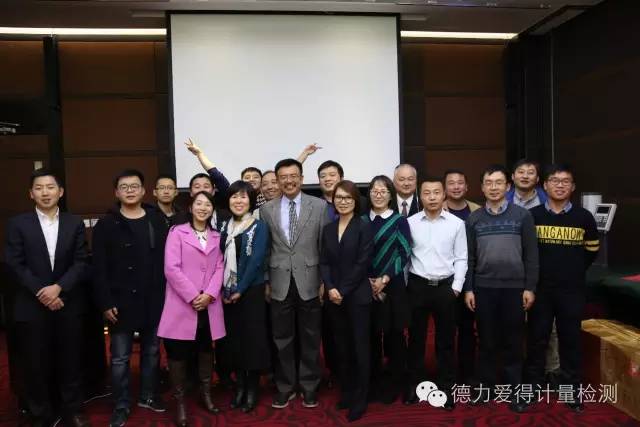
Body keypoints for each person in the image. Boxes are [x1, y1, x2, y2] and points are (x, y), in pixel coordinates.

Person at [4, 168, 91, 427]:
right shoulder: (18, 224)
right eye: (39, 188)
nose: (45, 192)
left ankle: (73, 410)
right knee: (35, 363)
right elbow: (14, 263)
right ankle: (40, 413)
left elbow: (81, 261)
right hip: (31, 305)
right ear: (31, 194)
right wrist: (43, 292)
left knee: (71, 361)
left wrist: (59, 288)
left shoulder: (74, 223)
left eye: (50, 187)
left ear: (60, 192)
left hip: (68, 302)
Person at [92, 169, 169, 427]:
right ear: (116, 192)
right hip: (120, 302)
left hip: (153, 298)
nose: (130, 190)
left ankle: (148, 396)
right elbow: (98, 268)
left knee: (152, 352)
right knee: (120, 357)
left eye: (134, 186)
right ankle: (121, 404)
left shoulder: (156, 219)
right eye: (124, 187)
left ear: (144, 191)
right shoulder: (106, 224)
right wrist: (105, 302)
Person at [524, 164, 599, 413]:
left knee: (571, 341)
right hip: (540, 290)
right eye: (554, 180)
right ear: (544, 185)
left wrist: (572, 270)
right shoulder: (532, 216)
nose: (560, 185)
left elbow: (591, 251)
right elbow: (526, 253)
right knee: (536, 340)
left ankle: (571, 391)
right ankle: (531, 390)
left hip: (571, 290)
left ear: (573, 187)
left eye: (565, 181)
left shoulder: (584, 217)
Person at [464, 165, 538, 413]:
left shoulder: (522, 216)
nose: (493, 187)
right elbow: (469, 258)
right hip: (484, 288)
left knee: (513, 342)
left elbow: (531, 255)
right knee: (486, 341)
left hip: (514, 289)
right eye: (489, 183)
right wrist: (469, 289)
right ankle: (485, 389)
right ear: (482, 187)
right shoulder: (474, 219)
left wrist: (530, 287)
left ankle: (515, 391)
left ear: (507, 187)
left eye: (498, 183)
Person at [259, 158, 329, 409]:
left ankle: (309, 386)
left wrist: (324, 280)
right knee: (282, 338)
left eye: (293, 176)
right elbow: (265, 249)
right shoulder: (266, 209)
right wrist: (267, 280)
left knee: (311, 337)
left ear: (301, 178)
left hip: (310, 281)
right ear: (277, 181)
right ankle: (285, 386)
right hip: (279, 281)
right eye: (283, 177)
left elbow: (324, 247)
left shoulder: (319, 206)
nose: (288, 181)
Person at [157, 191, 225, 426]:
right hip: (182, 304)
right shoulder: (177, 232)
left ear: (212, 209)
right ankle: (181, 403)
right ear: (191, 207)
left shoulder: (216, 235)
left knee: (206, 350)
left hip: (208, 304)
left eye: (208, 204)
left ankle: (206, 395)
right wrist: (194, 296)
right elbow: (171, 268)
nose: (203, 208)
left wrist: (209, 295)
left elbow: (220, 267)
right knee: (178, 354)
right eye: (199, 203)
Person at [403, 177, 467, 411]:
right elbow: (405, 256)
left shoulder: (456, 224)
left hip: (445, 288)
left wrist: (456, 287)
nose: (432, 197)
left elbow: (461, 257)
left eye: (436, 192)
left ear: (444, 195)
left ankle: (446, 387)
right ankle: (415, 385)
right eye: (427, 193)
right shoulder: (410, 222)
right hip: (417, 286)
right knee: (416, 340)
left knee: (446, 341)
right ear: (420, 196)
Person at [320, 180, 373, 422]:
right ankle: (348, 392)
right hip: (334, 298)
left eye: (347, 198)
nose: (342, 201)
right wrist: (330, 287)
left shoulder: (363, 226)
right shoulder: (328, 229)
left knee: (360, 348)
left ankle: (361, 398)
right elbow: (324, 262)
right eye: (338, 197)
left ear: (355, 201)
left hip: (357, 296)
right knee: (342, 347)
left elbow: (363, 263)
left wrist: (342, 290)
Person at [219, 181, 271, 412]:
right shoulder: (224, 227)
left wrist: (239, 289)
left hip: (251, 292)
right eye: (234, 197)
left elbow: (256, 261)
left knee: (252, 341)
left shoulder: (259, 226)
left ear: (250, 201)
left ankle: (252, 389)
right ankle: (239, 386)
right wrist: (226, 291)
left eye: (243, 197)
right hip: (227, 294)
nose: (238, 201)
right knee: (234, 341)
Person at [507, 159, 559, 380]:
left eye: (531, 172)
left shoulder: (551, 202)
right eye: (521, 172)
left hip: (544, 270)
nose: (525, 176)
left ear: (538, 179)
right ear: (513, 177)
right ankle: (518, 370)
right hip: (512, 270)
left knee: (548, 324)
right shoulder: (502, 200)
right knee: (512, 325)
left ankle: (552, 369)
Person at [362, 175, 411, 405]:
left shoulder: (399, 220)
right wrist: (369, 281)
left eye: (383, 191)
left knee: (394, 337)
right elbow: (356, 254)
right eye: (374, 190)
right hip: (365, 286)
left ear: (391, 195)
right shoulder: (361, 220)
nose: (378, 194)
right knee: (370, 337)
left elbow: (404, 252)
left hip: (393, 287)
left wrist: (384, 278)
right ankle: (373, 383)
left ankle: (396, 383)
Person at [442, 169, 480, 383]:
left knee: (467, 328)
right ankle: (447, 375)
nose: (456, 187)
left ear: (467, 187)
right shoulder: (436, 209)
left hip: (470, 280)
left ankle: (467, 374)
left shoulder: (477, 211)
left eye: (460, 183)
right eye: (451, 183)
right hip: (445, 281)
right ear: (444, 188)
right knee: (446, 330)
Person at [185, 139, 231, 210]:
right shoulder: (182, 215)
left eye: (206, 186)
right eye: (197, 187)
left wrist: (199, 154)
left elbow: (217, 176)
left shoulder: (222, 213)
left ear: (213, 191)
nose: (202, 190)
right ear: (191, 192)